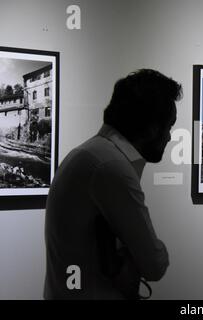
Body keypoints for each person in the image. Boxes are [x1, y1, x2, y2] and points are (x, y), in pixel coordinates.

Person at [44, 69, 182, 299]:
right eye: (169, 127)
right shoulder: (111, 167)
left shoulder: (90, 154)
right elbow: (155, 265)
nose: (169, 137)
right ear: (150, 128)